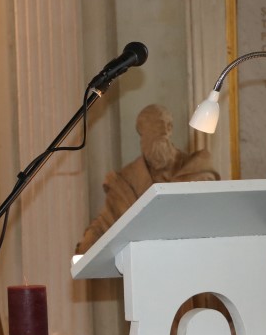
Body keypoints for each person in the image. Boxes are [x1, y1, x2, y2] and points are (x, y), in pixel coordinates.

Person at [77, 104, 219, 254]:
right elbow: (105, 223)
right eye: (151, 130)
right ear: (142, 135)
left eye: (161, 126)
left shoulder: (197, 169)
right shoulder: (126, 181)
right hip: (146, 258)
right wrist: (85, 249)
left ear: (169, 128)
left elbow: (212, 215)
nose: (159, 132)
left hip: (191, 253)